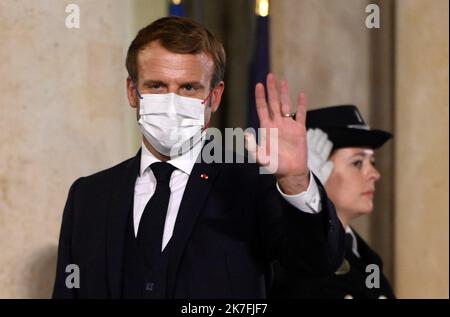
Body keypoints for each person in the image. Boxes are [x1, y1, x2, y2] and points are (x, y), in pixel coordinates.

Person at [52, 17, 344, 299]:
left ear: (215, 97)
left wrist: (294, 180)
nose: (171, 102)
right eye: (156, 86)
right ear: (132, 92)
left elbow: (316, 263)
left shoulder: (252, 184)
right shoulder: (88, 197)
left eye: (188, 88)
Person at [269, 105, 396, 299]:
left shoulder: (367, 257)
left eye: (373, 162)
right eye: (357, 163)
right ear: (316, 169)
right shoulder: (283, 255)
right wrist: (303, 184)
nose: (375, 175)